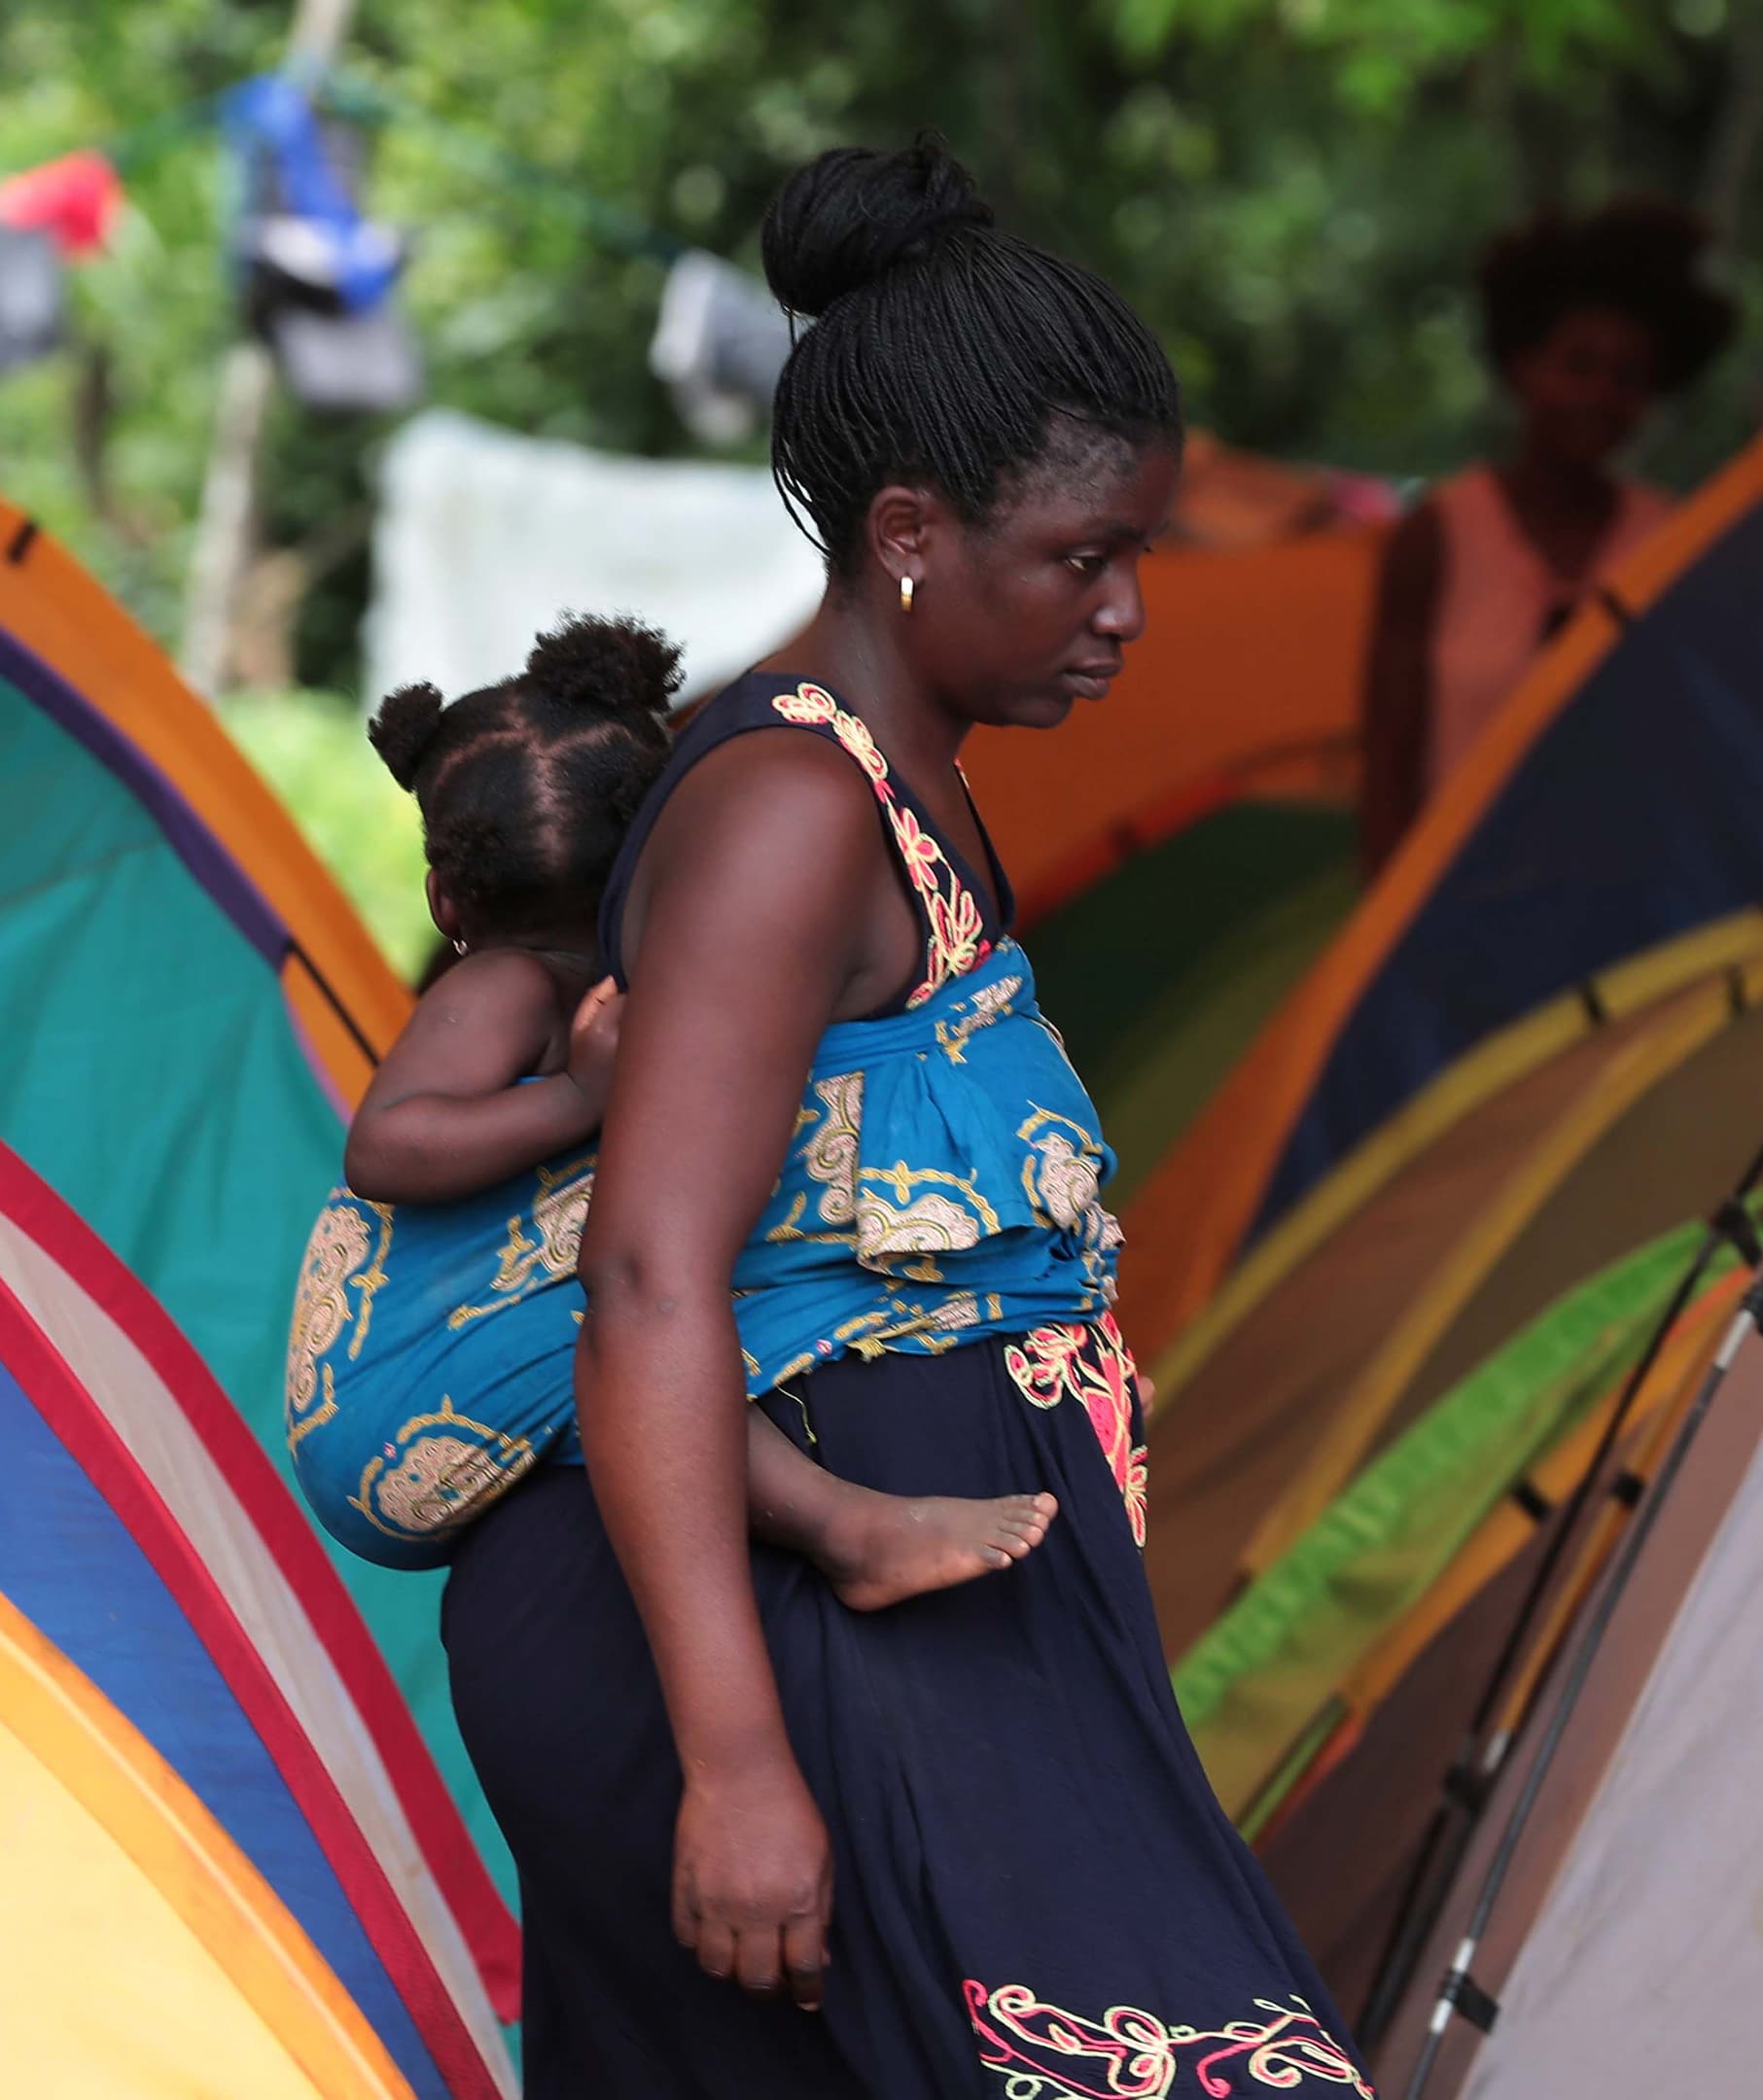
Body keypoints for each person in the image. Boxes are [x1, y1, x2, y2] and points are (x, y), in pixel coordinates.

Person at [419, 139, 1374, 2096]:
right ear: (915, 532)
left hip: (922, 1622)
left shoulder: (900, 792)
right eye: (1083, 559)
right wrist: (743, 1767)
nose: (1126, 615)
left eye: (1139, 558)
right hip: (766, 1658)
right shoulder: (788, 815)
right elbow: (652, 1285)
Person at [289, 613, 1056, 1603]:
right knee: (649, 1332)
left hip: (510, 1351)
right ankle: (845, 1529)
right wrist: (576, 1096)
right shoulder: (506, 990)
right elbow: (386, 1147)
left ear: (445, 898)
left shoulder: (669, 982)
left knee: (678, 1287)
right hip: (389, 1385)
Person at [1358, 197, 1739, 871]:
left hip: (1619, 908)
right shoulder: (1438, 536)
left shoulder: (1672, 540)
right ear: (1520, 368)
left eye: (1627, 377)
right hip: (1453, 906)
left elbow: (1688, 747)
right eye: (1578, 366)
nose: (1599, 395)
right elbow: (1388, 757)